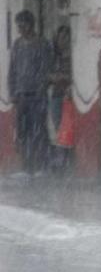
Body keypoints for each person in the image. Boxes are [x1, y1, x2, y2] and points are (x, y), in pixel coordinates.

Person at [8, 10, 53, 177]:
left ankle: (42, 166)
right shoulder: (17, 45)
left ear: (29, 24)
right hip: (21, 96)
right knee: (23, 132)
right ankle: (26, 167)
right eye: (18, 25)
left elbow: (45, 69)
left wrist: (40, 88)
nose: (19, 28)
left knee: (39, 131)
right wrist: (12, 91)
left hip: (37, 96)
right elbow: (12, 70)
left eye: (21, 24)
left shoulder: (42, 44)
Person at [48, 25, 74, 173]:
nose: (63, 40)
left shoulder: (72, 56)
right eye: (61, 37)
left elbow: (72, 77)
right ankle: (61, 161)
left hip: (68, 98)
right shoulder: (54, 57)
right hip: (56, 96)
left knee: (68, 129)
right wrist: (55, 78)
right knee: (59, 127)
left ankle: (67, 160)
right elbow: (48, 75)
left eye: (65, 37)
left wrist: (62, 78)